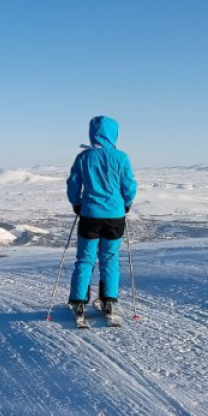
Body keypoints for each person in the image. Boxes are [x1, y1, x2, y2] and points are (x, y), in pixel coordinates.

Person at [67, 115, 137, 320]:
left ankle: (79, 302)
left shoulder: (84, 157)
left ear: (92, 133)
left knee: (85, 259)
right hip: (115, 216)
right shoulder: (121, 157)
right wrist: (126, 203)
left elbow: (73, 183)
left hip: (90, 215)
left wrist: (76, 203)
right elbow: (130, 186)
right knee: (109, 258)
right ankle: (108, 301)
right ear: (114, 134)